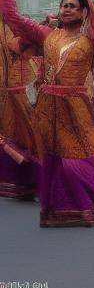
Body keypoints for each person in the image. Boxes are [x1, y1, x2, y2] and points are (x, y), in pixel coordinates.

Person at [0, 0, 94, 227]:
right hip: (46, 109)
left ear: (83, 13)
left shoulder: (90, 42)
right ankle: (62, 211)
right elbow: (11, 15)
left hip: (77, 110)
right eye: (63, 5)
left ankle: (87, 201)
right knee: (53, 160)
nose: (66, 9)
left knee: (82, 158)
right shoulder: (47, 37)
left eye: (72, 6)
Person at [0, 17, 40, 200]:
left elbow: (21, 49)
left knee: (21, 136)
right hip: (13, 92)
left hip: (16, 94)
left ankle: (26, 182)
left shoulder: (11, 25)